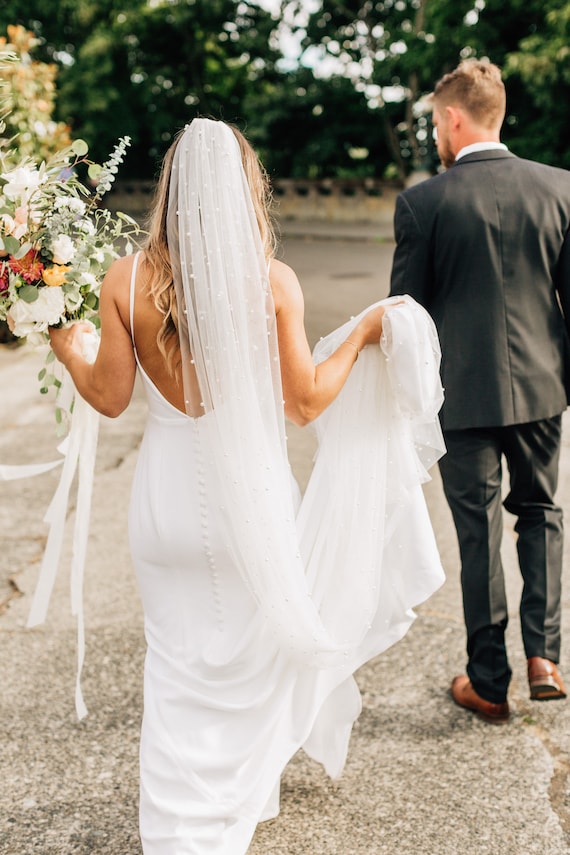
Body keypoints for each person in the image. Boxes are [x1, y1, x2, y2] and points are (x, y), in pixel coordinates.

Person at [48, 117, 445, 853]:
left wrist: (69, 348)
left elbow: (107, 396)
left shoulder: (124, 277)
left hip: (161, 503)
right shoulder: (271, 281)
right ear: (243, 188)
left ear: (169, 188)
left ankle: (173, 828)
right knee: (256, 655)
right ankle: (235, 796)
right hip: (247, 502)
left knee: (174, 664)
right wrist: (361, 333)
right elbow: (303, 403)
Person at [389, 58, 570, 725]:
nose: (436, 132)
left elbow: (405, 317)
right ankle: (545, 658)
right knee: (542, 513)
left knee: (478, 535)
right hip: (544, 390)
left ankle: (489, 683)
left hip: (459, 398)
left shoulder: (422, 202)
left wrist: (405, 405)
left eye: (436, 120)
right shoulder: (560, 189)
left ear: (452, 118)